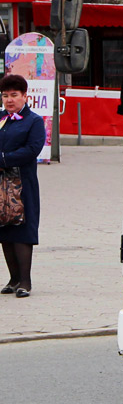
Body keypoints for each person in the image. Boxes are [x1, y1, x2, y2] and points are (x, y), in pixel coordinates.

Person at [0, 73, 45, 298]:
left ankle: (25, 282)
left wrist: (4, 159)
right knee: (4, 229)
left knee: (22, 229)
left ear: (25, 96)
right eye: (5, 95)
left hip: (22, 183)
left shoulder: (34, 121)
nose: (9, 100)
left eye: (14, 95)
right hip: (1, 185)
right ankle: (13, 278)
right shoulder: (0, 119)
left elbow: (32, 150)